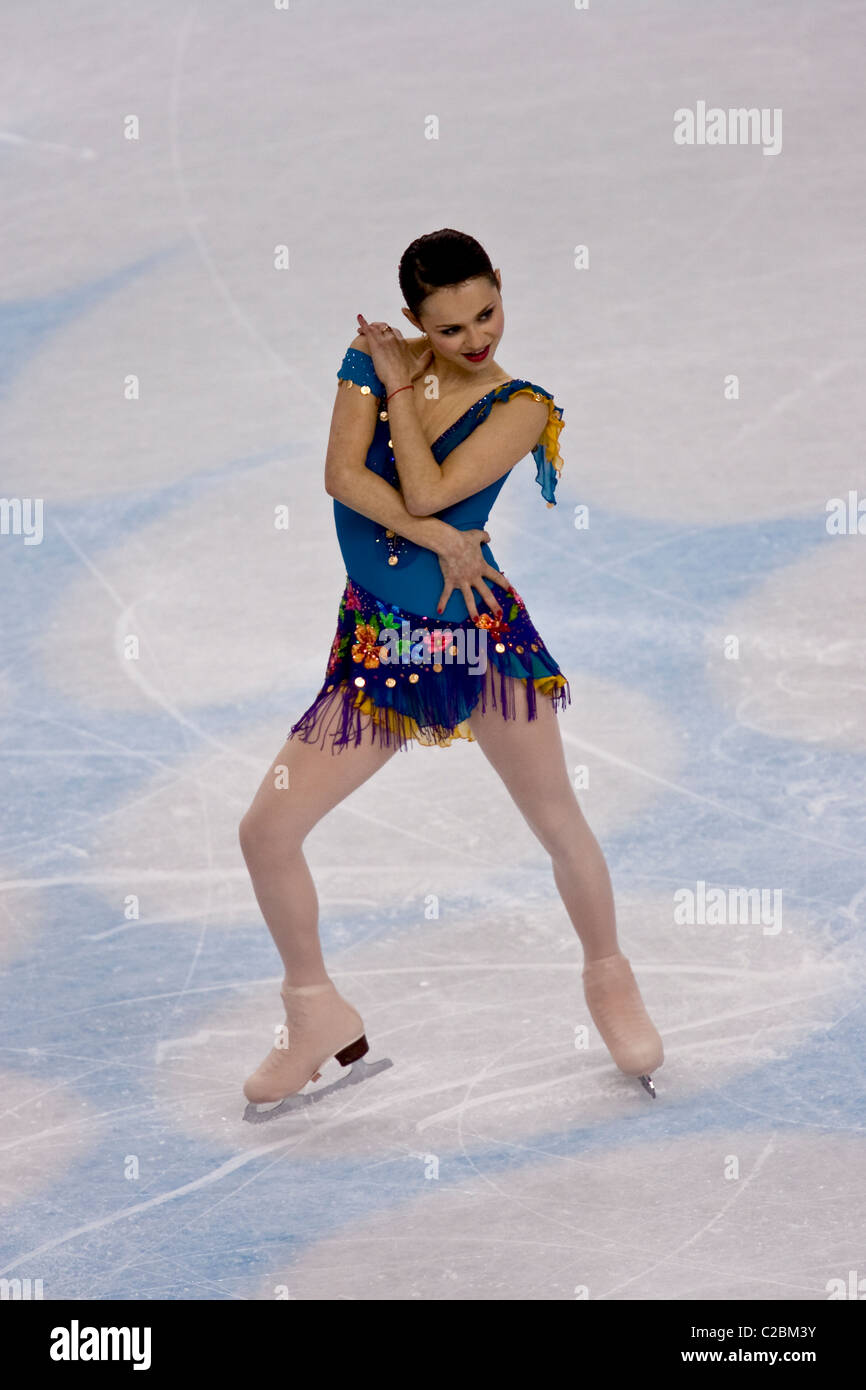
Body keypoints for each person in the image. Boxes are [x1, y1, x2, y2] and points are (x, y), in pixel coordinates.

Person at [239, 229, 663, 1108]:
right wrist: (433, 533)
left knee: (557, 821)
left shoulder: (519, 404)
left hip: (474, 636)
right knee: (266, 832)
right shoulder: (370, 361)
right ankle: (314, 1008)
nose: (476, 339)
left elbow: (428, 489)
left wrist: (402, 389)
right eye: (449, 328)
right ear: (410, 321)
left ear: (501, 288)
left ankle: (610, 980)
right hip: (379, 644)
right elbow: (340, 477)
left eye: (487, 313)